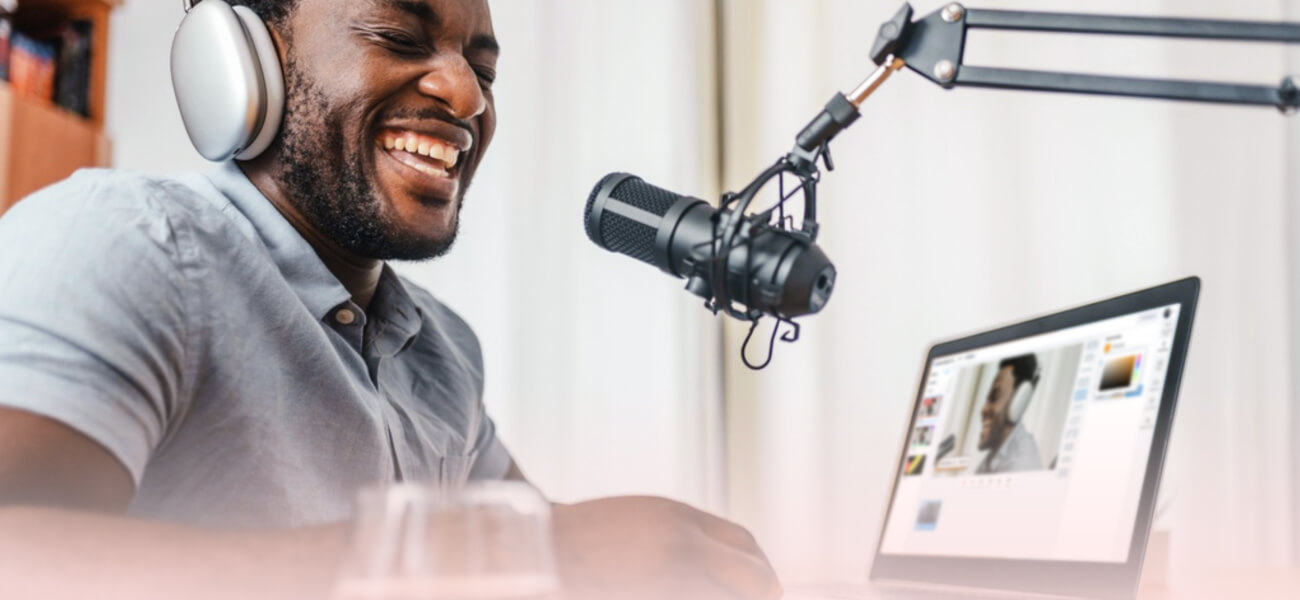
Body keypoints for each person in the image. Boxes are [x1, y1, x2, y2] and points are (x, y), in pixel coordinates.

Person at [0, 1, 781, 598]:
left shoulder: (440, 352)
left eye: (486, 71)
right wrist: (516, 551)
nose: (465, 96)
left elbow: (556, 555)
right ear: (239, 61)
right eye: (401, 39)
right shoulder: (124, 242)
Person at [975, 354, 1043, 474]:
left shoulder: (1022, 464)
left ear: (1018, 402)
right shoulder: (992, 459)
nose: (983, 410)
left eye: (994, 397)